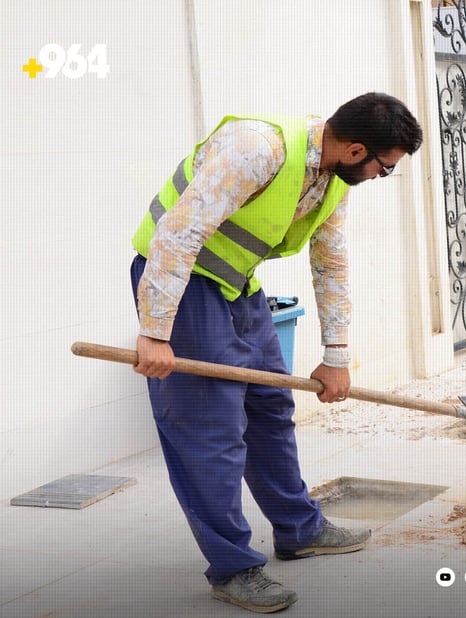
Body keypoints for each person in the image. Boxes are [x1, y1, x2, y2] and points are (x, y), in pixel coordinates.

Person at [129, 93, 423, 613]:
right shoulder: (256, 148)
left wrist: (337, 355)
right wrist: (156, 329)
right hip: (183, 285)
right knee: (211, 429)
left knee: (270, 407)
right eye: (385, 167)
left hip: (237, 284)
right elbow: (179, 232)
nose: (383, 175)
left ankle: (298, 528)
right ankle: (234, 567)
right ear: (356, 149)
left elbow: (330, 263)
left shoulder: (334, 180)